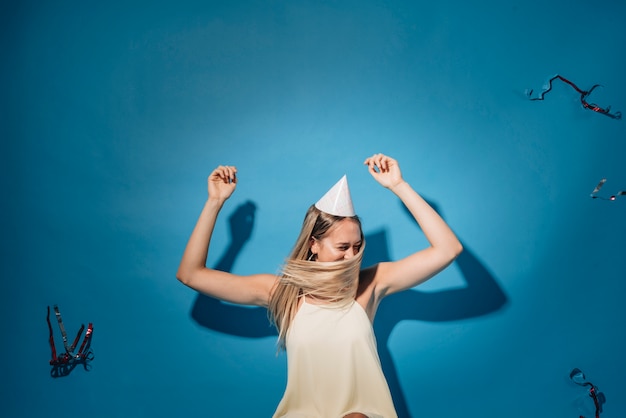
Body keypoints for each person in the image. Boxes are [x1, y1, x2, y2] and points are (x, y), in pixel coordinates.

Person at [177, 153, 463, 418]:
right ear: (314, 244)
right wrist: (215, 203)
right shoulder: (283, 292)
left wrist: (399, 186)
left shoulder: (371, 283)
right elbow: (191, 275)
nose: (352, 256)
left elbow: (447, 249)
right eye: (342, 247)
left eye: (357, 246)